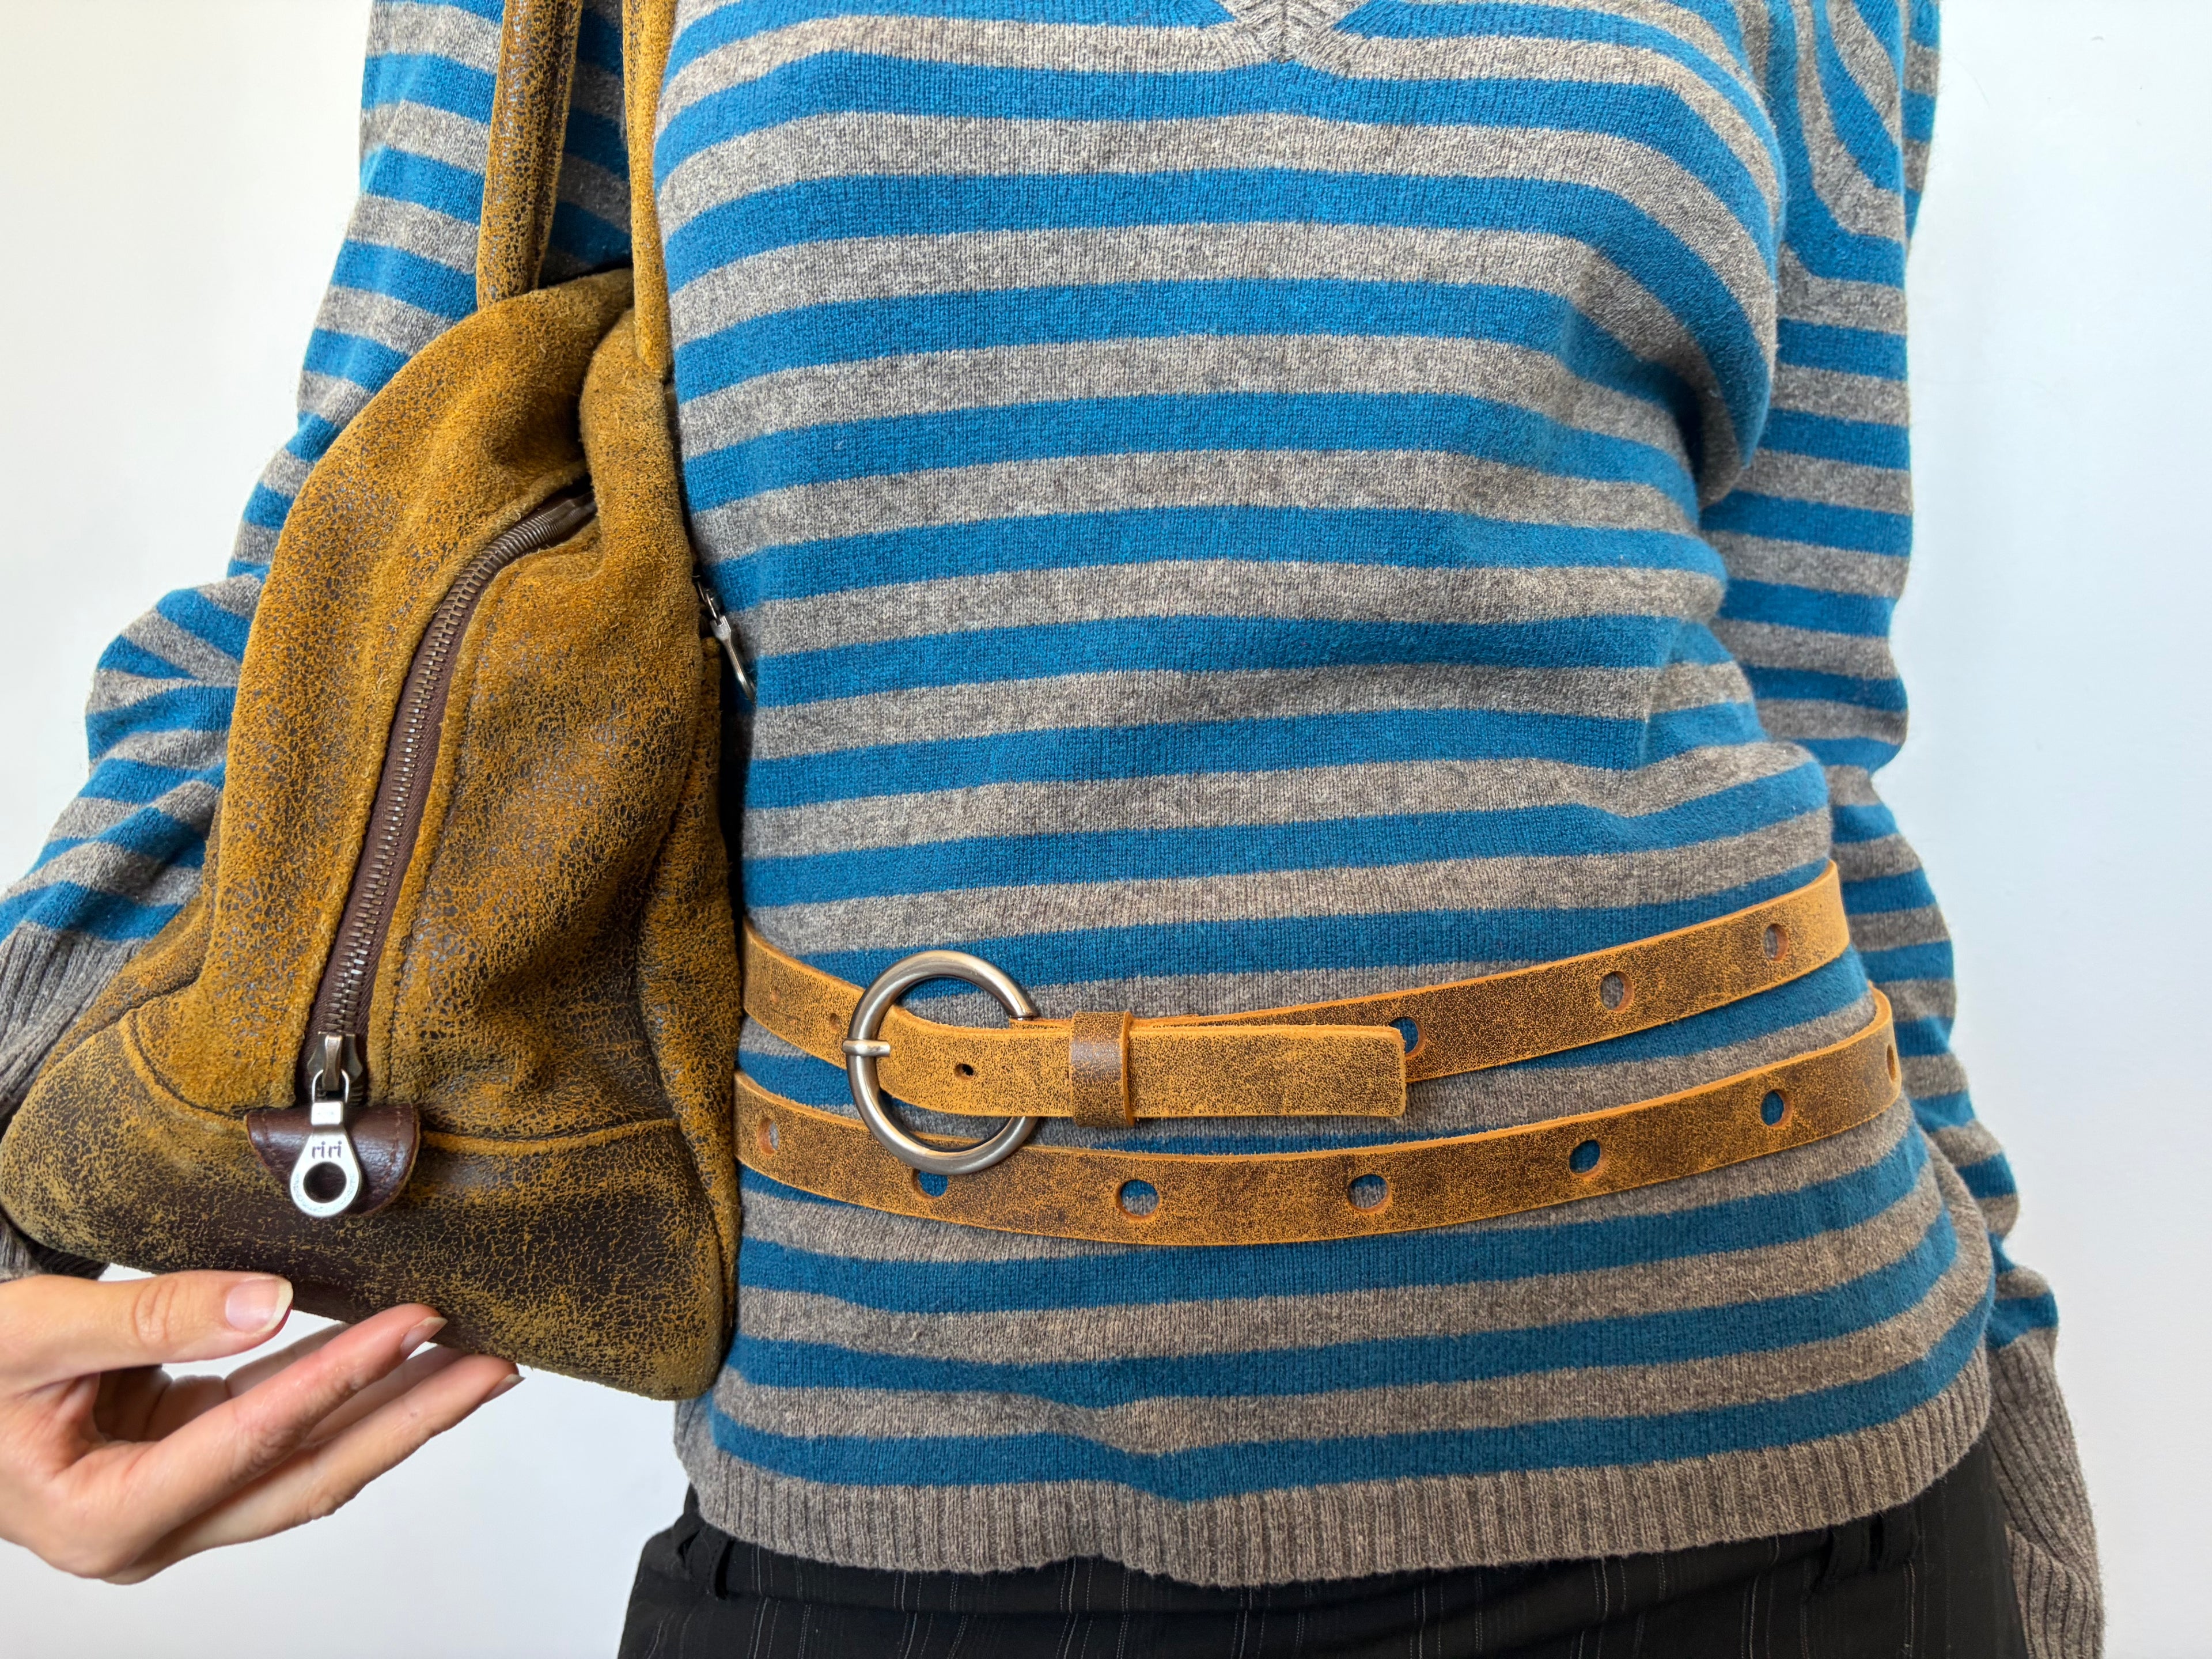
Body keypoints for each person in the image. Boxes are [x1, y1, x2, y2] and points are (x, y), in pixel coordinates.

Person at [0, 0, 2101, 1653]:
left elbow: (1813, 702)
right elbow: (346, 563)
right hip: (899, 1495)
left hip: (1782, 1466)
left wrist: (2014, 1412)